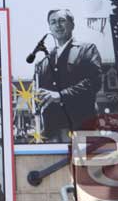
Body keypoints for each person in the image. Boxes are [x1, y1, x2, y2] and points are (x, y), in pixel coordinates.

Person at [36, 9, 103, 142]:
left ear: (72, 25)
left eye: (62, 21)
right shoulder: (44, 61)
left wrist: (60, 95)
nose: (57, 25)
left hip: (82, 127)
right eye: (53, 22)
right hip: (52, 131)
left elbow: (94, 82)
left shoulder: (87, 49)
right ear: (49, 27)